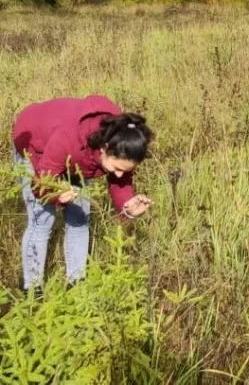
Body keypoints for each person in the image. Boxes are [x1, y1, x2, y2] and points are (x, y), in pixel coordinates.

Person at [12, 95, 154, 293]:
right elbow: (41, 185)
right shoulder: (68, 139)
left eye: (126, 169)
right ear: (104, 149)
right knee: (42, 219)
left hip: (78, 158)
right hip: (35, 144)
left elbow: (120, 182)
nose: (120, 173)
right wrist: (55, 194)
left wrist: (128, 206)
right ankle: (32, 289)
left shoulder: (120, 142)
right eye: (117, 167)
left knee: (79, 218)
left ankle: (76, 284)